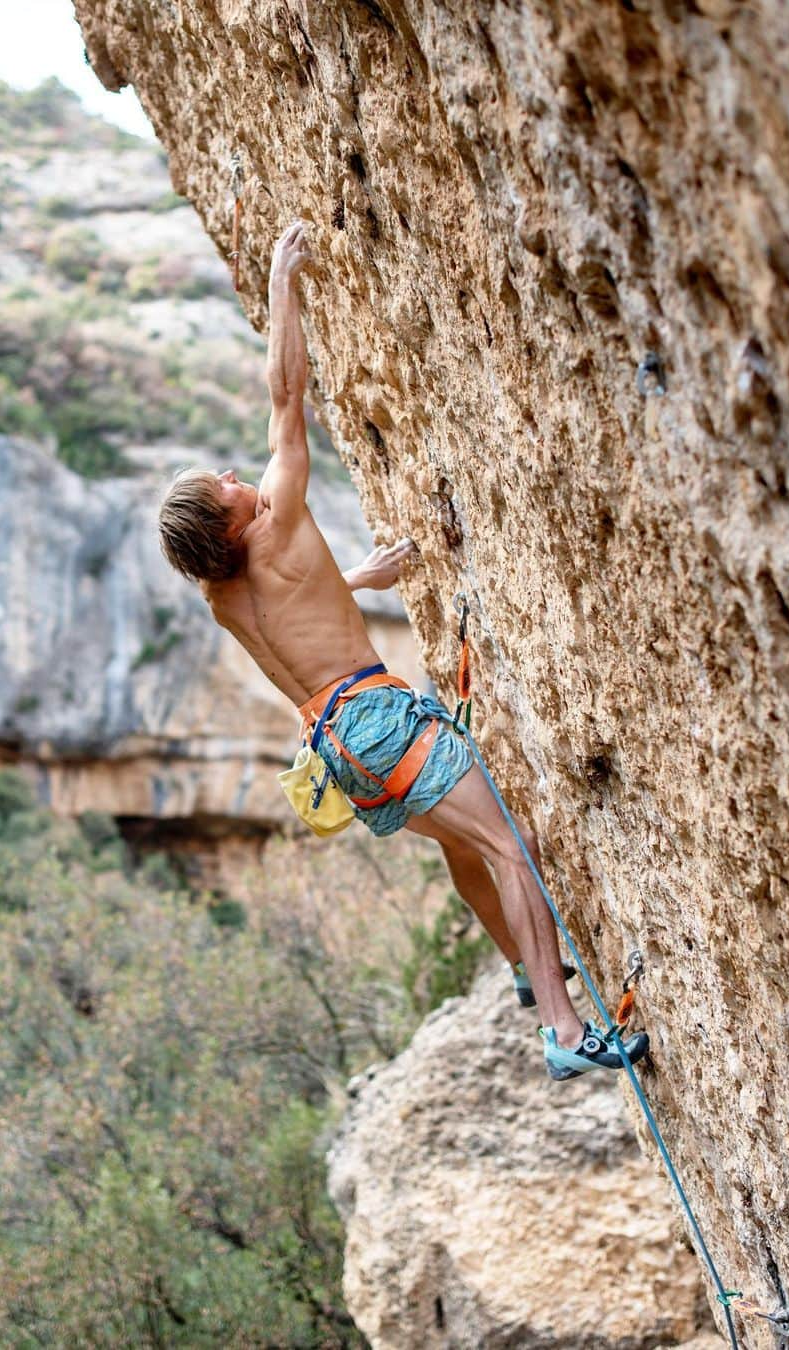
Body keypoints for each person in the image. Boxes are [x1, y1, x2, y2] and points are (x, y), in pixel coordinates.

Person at [158, 221, 648, 1081]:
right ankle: (567, 1033)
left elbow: (300, 609)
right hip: (379, 718)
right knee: (507, 848)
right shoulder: (275, 519)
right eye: (224, 486)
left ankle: (526, 973)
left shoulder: (222, 595)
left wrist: (362, 577)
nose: (239, 477)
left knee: (461, 851)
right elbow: (286, 395)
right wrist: (283, 279)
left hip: (337, 749)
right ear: (230, 521)